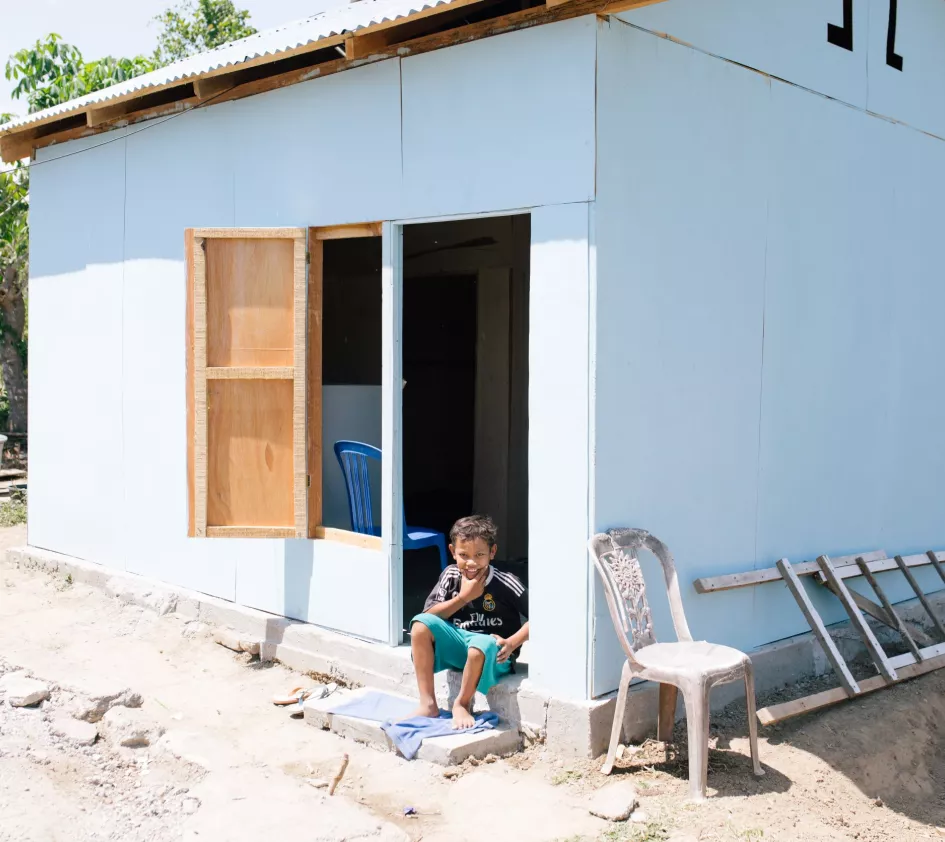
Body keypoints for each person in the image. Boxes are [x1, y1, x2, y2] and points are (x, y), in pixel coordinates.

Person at [409, 514, 529, 730]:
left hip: (493, 650)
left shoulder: (506, 581)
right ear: (452, 551)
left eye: (480, 554)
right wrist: (463, 598)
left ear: (492, 552)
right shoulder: (451, 575)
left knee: (478, 647)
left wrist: (512, 643)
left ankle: (462, 704)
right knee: (419, 625)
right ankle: (428, 704)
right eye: (463, 554)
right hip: (460, 642)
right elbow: (430, 614)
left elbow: (542, 618)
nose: (471, 562)